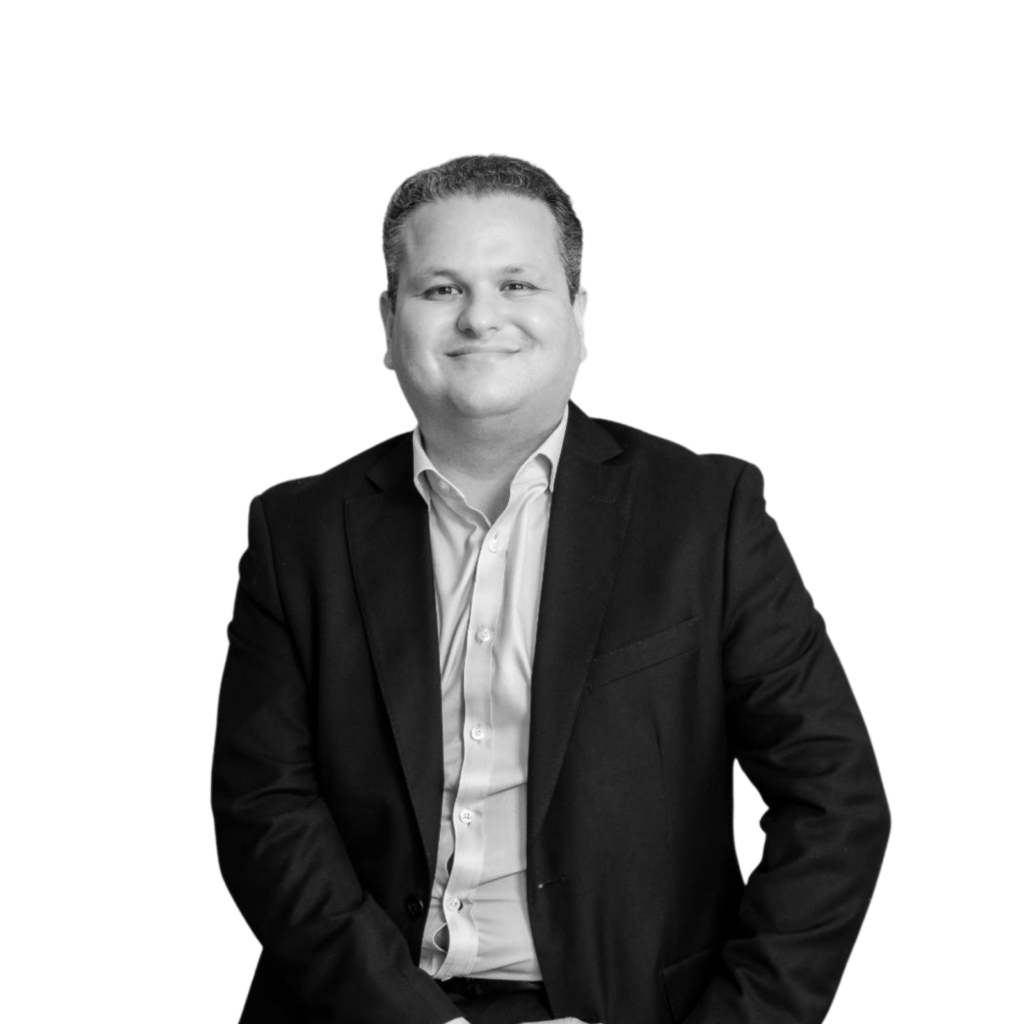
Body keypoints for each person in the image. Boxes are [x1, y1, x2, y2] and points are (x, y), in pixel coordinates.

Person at [212, 155, 890, 1024]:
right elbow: (264, 811)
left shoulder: (703, 517)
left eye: (518, 284)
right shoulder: (298, 533)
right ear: (388, 323)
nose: (480, 316)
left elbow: (835, 801)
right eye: (441, 289)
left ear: (576, 313)